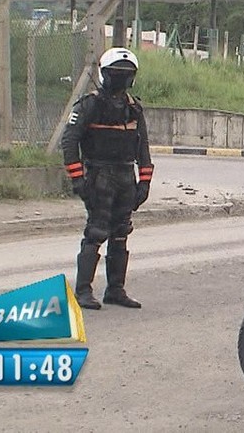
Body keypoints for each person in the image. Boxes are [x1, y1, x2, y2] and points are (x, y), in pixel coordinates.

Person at [61, 47, 153, 311]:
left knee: (121, 232)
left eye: (126, 75)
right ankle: (83, 291)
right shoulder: (89, 105)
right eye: (116, 74)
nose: (121, 80)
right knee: (97, 231)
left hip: (125, 174)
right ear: (104, 74)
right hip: (99, 173)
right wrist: (78, 178)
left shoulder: (134, 108)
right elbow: (70, 141)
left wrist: (144, 182)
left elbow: (143, 147)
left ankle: (115, 290)